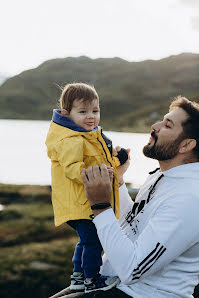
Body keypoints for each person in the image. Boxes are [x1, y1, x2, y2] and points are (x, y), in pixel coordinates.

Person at [51, 96, 199, 298]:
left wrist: (101, 205)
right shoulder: (163, 176)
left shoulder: (190, 197)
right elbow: (131, 225)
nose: (155, 126)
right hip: (110, 285)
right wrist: (118, 182)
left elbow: (133, 269)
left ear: (186, 145)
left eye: (167, 125)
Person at [45, 83, 128, 294]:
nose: (90, 116)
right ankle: (92, 279)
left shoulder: (89, 135)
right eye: (83, 112)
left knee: (86, 240)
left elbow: (100, 162)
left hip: (85, 202)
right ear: (66, 113)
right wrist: (97, 177)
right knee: (94, 240)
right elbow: (72, 169)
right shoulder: (72, 140)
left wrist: (117, 161)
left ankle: (78, 277)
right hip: (82, 203)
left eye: (95, 111)